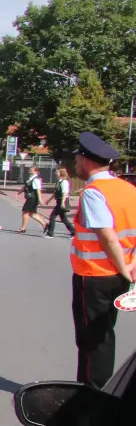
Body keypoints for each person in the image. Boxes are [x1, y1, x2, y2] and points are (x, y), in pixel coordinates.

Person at [67, 132, 136, 388]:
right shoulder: (128, 189)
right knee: (104, 336)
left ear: (85, 161)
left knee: (90, 340)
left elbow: (107, 236)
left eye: (77, 160)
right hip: (119, 276)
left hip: (94, 276)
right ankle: (101, 390)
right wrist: (131, 267)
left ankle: (91, 396)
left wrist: (123, 269)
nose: (75, 165)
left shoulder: (94, 193)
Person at [46, 166, 76, 238]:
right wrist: (49, 200)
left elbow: (65, 193)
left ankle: (50, 233)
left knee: (52, 217)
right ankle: (74, 232)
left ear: (61, 173)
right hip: (59, 201)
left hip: (62, 201)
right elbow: (55, 192)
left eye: (57, 172)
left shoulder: (64, 182)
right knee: (64, 218)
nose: (56, 173)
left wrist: (62, 202)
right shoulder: (59, 182)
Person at [19, 166, 48, 234]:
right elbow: (25, 186)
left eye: (32, 170)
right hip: (30, 198)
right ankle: (44, 224)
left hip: (33, 198)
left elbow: (38, 189)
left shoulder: (36, 179)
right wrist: (19, 192)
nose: (30, 171)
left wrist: (40, 199)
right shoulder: (30, 178)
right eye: (30, 170)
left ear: (36, 171)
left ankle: (23, 228)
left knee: (25, 212)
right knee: (32, 213)